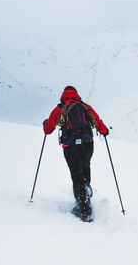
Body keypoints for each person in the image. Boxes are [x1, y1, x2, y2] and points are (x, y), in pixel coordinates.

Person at [43, 86, 109, 221]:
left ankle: (83, 208)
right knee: (85, 168)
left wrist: (45, 124)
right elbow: (97, 121)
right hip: (87, 144)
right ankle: (86, 194)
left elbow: (48, 129)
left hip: (70, 146)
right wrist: (104, 130)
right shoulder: (85, 106)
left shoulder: (60, 109)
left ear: (64, 95)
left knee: (76, 173)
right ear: (76, 95)